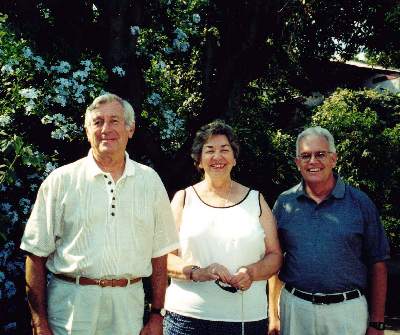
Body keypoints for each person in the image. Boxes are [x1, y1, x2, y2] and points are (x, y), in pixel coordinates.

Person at [20, 93, 179, 335]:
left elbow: (159, 255)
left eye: (114, 121)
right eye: (98, 122)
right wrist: (39, 321)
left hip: (128, 307)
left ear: (130, 129)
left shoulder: (150, 181)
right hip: (70, 307)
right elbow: (35, 253)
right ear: (87, 131)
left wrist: (157, 315)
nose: (106, 129)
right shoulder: (61, 180)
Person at [163, 120, 282, 335]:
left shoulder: (256, 200)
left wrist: (252, 272)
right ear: (199, 160)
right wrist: (197, 272)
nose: (217, 157)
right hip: (187, 319)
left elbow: (274, 256)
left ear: (234, 159)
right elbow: (163, 258)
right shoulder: (182, 199)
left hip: (247, 320)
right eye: (209, 150)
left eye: (224, 150)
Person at [268, 126, 390, 335]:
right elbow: (275, 258)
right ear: (298, 163)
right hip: (296, 309)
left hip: (347, 311)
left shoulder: (360, 203)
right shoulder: (285, 203)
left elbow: (378, 262)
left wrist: (377, 322)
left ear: (334, 159)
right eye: (305, 156)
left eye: (321, 154)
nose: (313, 161)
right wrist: (273, 315)